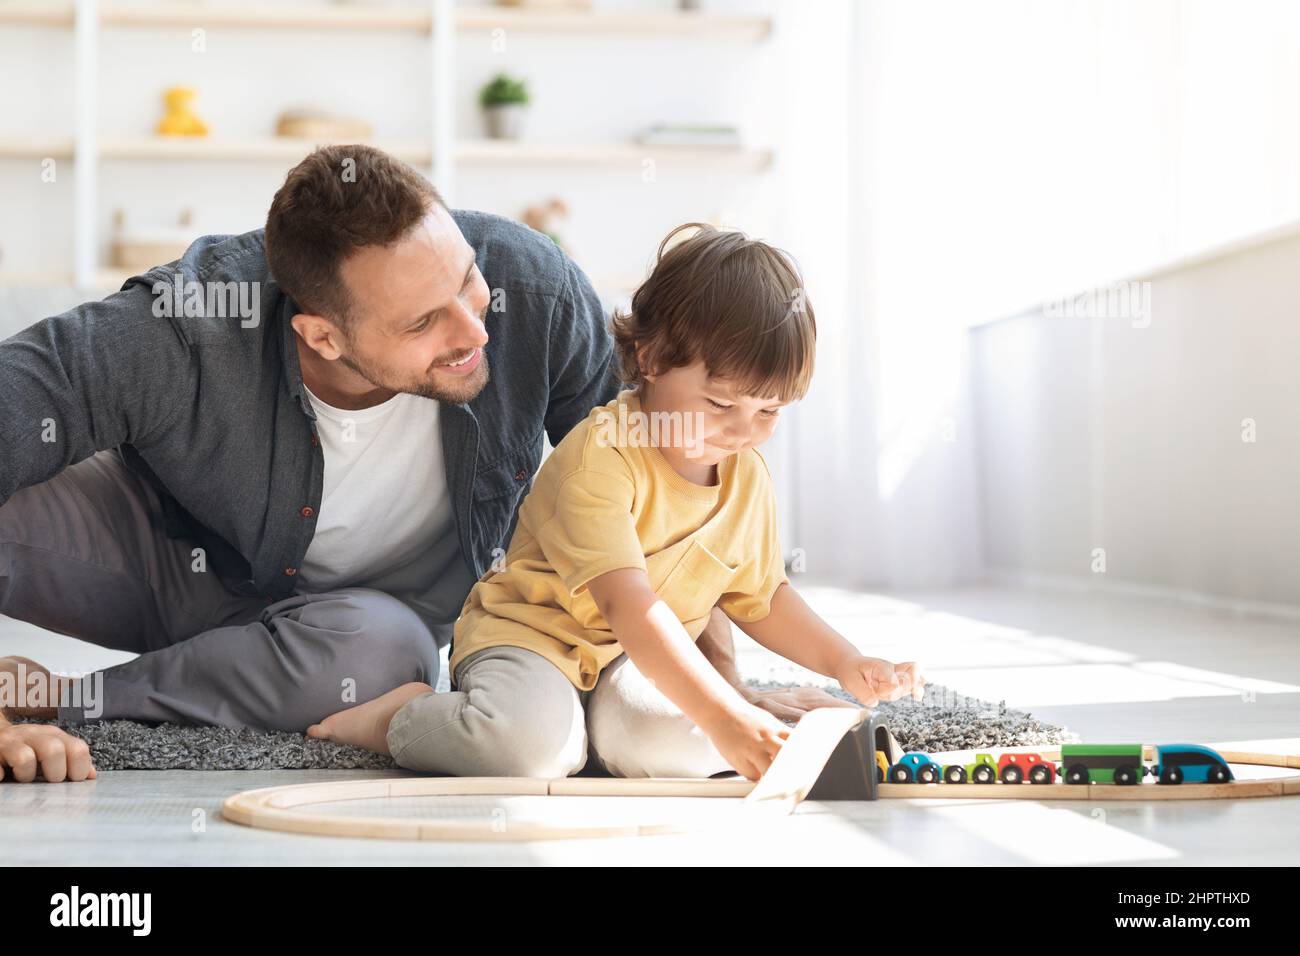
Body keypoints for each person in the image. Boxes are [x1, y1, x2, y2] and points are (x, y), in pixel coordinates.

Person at [0, 146, 839, 785]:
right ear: (321, 334)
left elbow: (664, 504)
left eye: (466, 284)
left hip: (363, 635)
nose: (474, 333)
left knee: (382, 654)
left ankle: (72, 699)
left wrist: (723, 689)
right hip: (170, 563)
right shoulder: (188, 324)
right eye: (423, 323)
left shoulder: (534, 293)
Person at [307, 222, 926, 781]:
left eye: (768, 411)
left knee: (675, 751)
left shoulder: (744, 474)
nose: (742, 431)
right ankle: (400, 718)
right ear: (652, 359)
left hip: (634, 660)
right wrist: (724, 714)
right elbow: (628, 603)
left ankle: (595, 733)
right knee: (526, 752)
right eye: (720, 404)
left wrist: (845, 660)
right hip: (532, 638)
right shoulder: (602, 454)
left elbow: (763, 599)